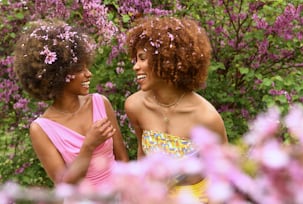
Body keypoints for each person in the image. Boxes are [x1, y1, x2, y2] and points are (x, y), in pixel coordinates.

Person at [13, 19, 129, 197]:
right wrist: (88, 145)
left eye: (86, 66)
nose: (88, 74)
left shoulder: (100, 102)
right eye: (79, 69)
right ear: (58, 75)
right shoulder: (41, 128)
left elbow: (122, 160)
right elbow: (63, 186)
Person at [124, 16, 228, 203]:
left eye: (142, 58)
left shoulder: (206, 116)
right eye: (135, 59)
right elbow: (142, 151)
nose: (135, 66)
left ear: (166, 60)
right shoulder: (134, 106)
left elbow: (224, 168)